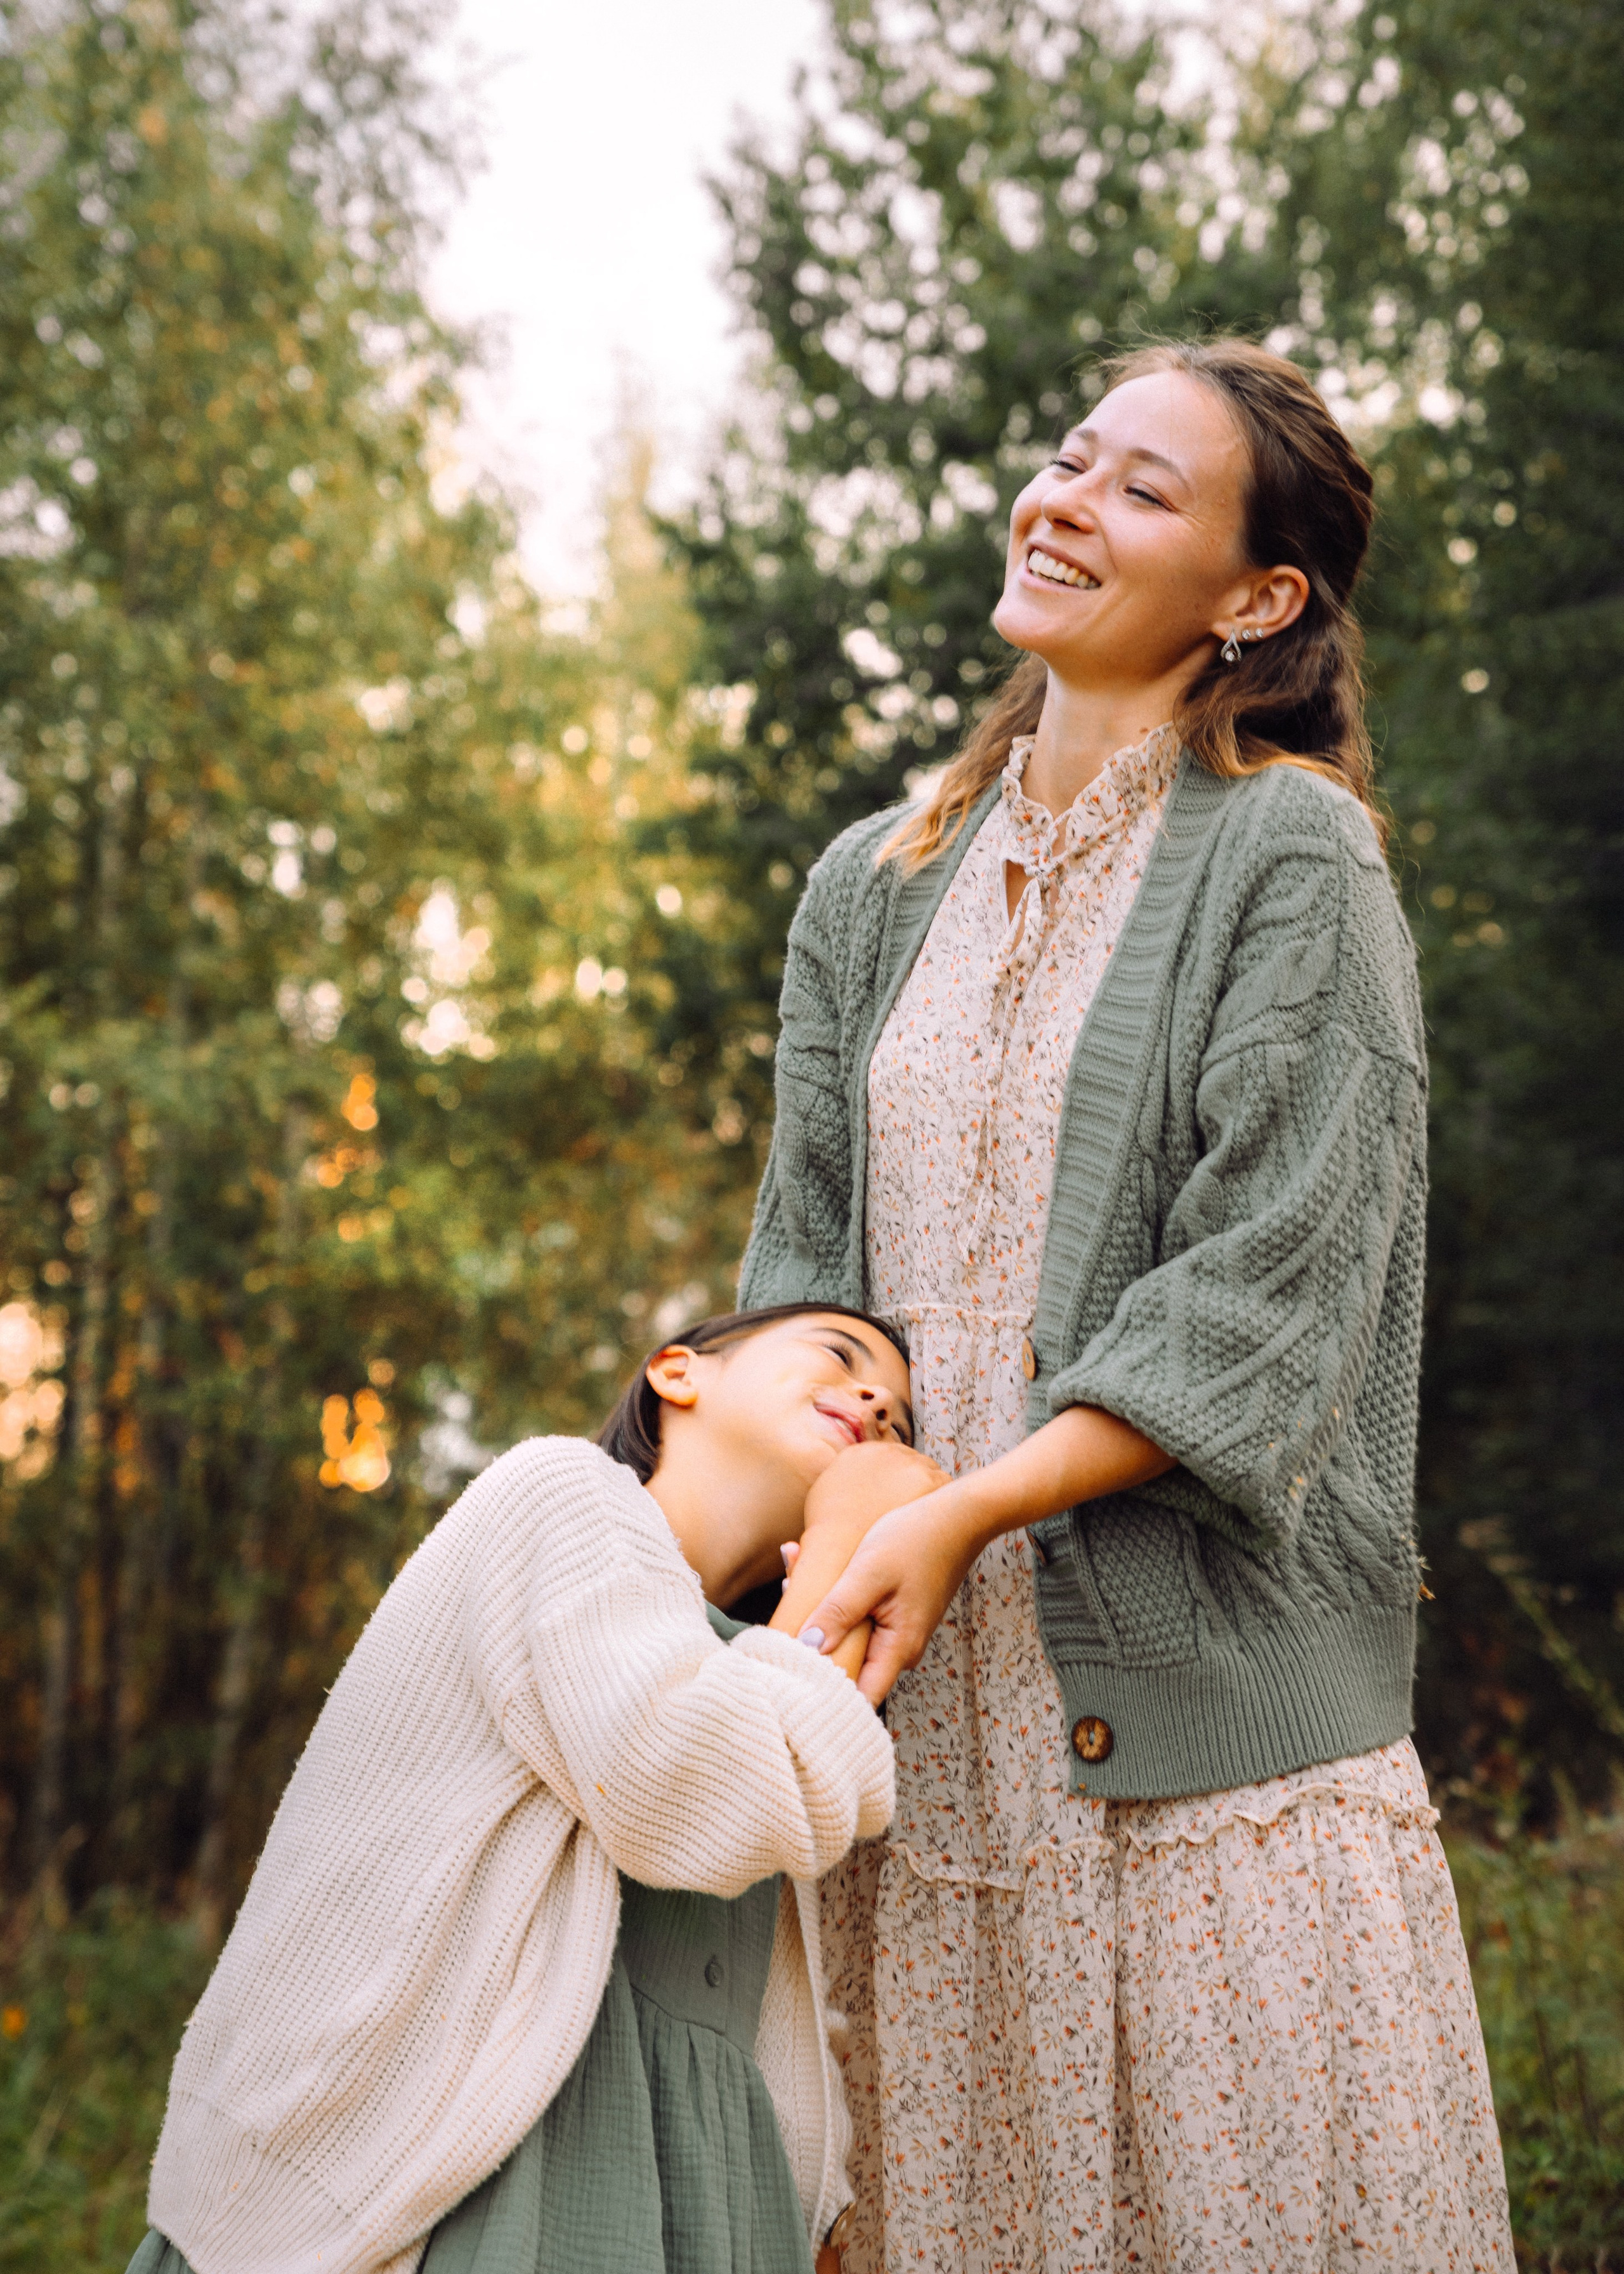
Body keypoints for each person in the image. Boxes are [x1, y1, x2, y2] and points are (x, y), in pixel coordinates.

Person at [741, 339, 1515, 2271]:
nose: (1066, 498)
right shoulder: (868, 886)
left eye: (1142, 488)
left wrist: (965, 1506)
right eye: (1069, 456)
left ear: (1260, 602)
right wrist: (844, 1513)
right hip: (915, 1781)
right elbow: (807, 1289)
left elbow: (1273, 1288)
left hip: (1211, 1773)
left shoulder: (1293, 856)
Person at [128, 1302, 943, 2274]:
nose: (874, 1405)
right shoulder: (559, 1494)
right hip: (494, 2165)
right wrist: (854, 1529)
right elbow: (693, 1788)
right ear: (676, 1374)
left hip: (708, 2188)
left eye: (898, 1417)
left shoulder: (763, 1668)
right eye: (841, 1357)